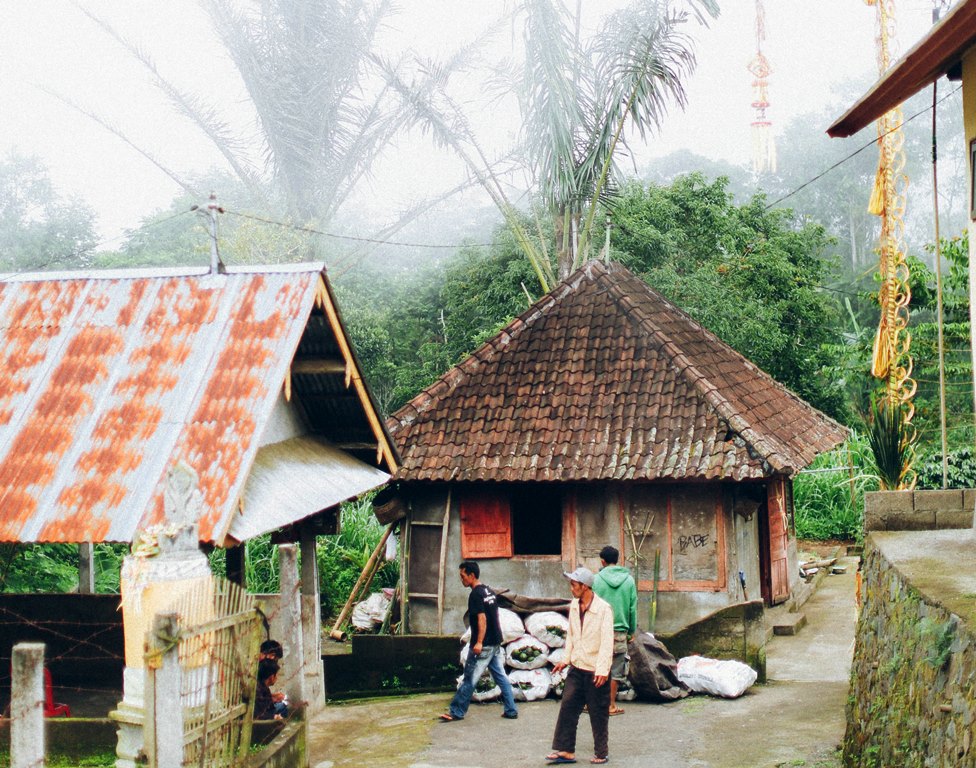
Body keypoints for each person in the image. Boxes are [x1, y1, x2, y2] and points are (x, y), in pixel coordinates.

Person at [546, 567, 614, 766]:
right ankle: (566, 751)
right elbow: (572, 636)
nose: (571, 589)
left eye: (574, 585)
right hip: (577, 667)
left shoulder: (603, 609)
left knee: (598, 712)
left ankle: (601, 753)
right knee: (567, 707)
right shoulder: (574, 606)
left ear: (585, 586)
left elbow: (607, 642)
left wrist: (602, 670)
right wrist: (565, 659)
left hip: (596, 670)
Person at [439, 560, 518, 722]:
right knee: (501, 676)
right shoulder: (488, 591)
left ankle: (456, 711)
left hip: (485, 644)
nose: (461, 580)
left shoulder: (475, 594)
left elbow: (482, 619)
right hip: (496, 641)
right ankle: (511, 710)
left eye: (463, 576)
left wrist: (479, 642)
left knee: (470, 678)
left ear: (472, 575)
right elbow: (494, 616)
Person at [592, 545, 638, 716]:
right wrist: (631, 631)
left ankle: (592, 704)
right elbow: (633, 608)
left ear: (602, 561)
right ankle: (611, 705)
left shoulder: (596, 580)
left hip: (598, 630)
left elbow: (591, 605)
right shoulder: (629, 581)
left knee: (596, 667)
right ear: (618, 560)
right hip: (619, 631)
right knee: (615, 671)